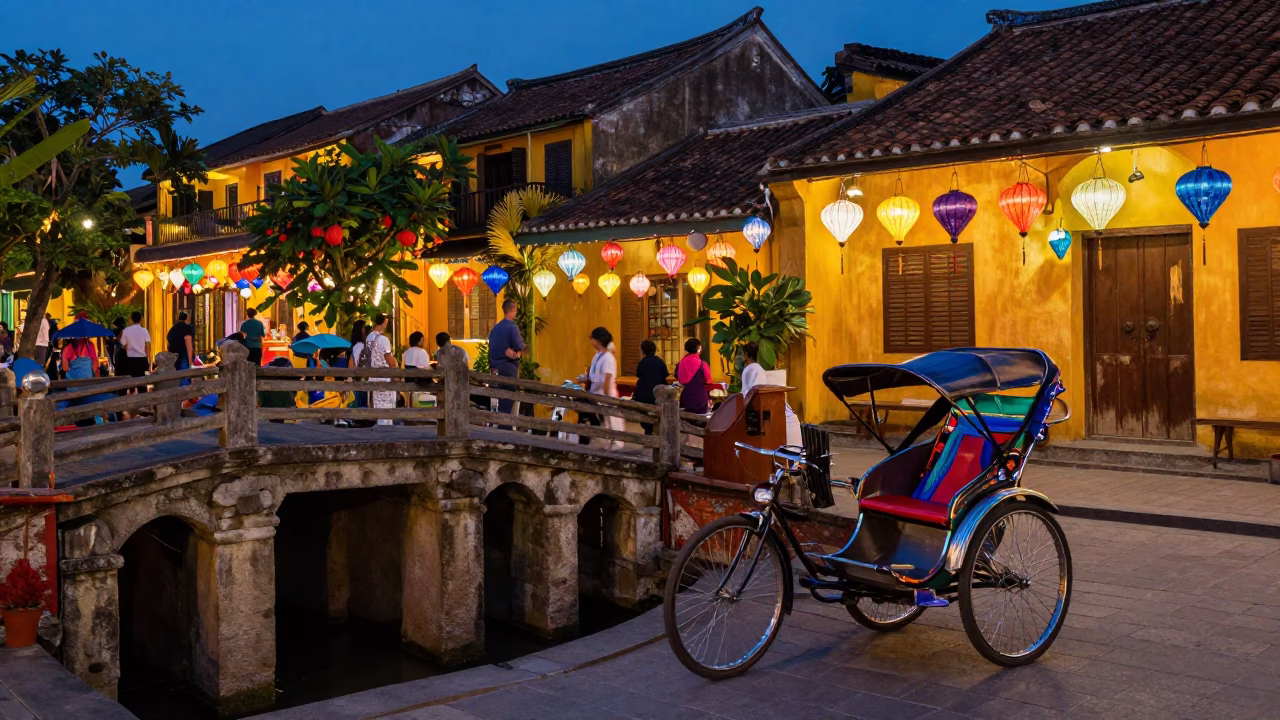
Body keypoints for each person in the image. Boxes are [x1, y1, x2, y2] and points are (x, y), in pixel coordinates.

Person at [740, 341, 801, 447]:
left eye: (742, 354)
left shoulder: (754, 369)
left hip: (758, 403)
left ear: (745, 354)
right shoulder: (754, 368)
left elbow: (758, 389)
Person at [575, 327, 623, 449]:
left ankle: (613, 446)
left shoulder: (608, 358)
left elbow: (607, 379)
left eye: (592, 339)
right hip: (595, 394)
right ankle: (587, 438)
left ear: (596, 340)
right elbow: (594, 376)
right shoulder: (597, 356)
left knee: (610, 423)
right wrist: (585, 380)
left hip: (605, 395)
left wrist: (607, 399)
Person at [487, 299, 526, 417]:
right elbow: (519, 345)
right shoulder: (512, 327)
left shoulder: (495, 328)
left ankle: (501, 426)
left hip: (495, 369)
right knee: (508, 400)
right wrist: (522, 349)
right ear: (513, 310)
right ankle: (505, 427)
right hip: (508, 369)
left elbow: (491, 349)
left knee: (497, 400)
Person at [61, 334, 102, 427]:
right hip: (88, 385)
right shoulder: (90, 345)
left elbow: (65, 368)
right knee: (88, 409)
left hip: (73, 387)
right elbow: (95, 366)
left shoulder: (68, 348)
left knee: (76, 412)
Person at [363, 313, 397, 425]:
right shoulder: (384, 339)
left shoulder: (368, 338)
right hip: (383, 377)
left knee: (377, 406)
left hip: (372, 376)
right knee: (386, 408)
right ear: (384, 322)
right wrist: (396, 373)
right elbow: (388, 358)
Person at [633, 339, 669, 435]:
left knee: (644, 414)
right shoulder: (660, 362)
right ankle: (655, 429)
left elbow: (639, 376)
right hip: (658, 394)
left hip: (644, 394)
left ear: (643, 351)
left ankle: (648, 429)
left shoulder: (642, 363)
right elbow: (665, 376)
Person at [675, 337, 712, 414]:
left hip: (685, 398)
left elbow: (679, 379)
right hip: (700, 398)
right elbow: (709, 381)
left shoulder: (681, 363)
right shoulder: (703, 364)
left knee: (685, 423)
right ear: (699, 348)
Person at [119, 311, 151, 379]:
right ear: (141, 319)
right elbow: (147, 346)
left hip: (130, 359)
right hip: (142, 359)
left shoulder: (126, 331)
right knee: (142, 381)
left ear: (132, 319)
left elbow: (123, 345)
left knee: (131, 380)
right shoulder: (144, 330)